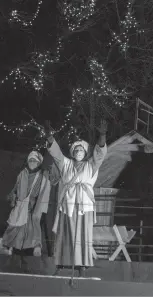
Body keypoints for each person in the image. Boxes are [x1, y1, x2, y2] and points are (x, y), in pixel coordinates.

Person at [44, 119, 107, 277]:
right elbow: (57, 153)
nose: (79, 152)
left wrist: (102, 135)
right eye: (76, 150)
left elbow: (100, 154)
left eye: (81, 150)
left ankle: (82, 264)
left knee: (82, 235)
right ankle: (62, 262)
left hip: (84, 206)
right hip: (69, 205)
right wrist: (50, 136)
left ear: (85, 153)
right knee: (66, 233)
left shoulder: (91, 165)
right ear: (73, 152)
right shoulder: (66, 164)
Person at [1, 151, 51, 257]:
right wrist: (13, 196)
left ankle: (36, 247)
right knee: (15, 224)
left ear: (39, 163)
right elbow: (15, 187)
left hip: (34, 205)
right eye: (30, 160)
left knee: (33, 224)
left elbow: (44, 190)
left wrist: (37, 205)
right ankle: (7, 245)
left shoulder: (42, 175)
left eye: (35, 161)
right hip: (20, 204)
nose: (32, 162)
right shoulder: (22, 173)